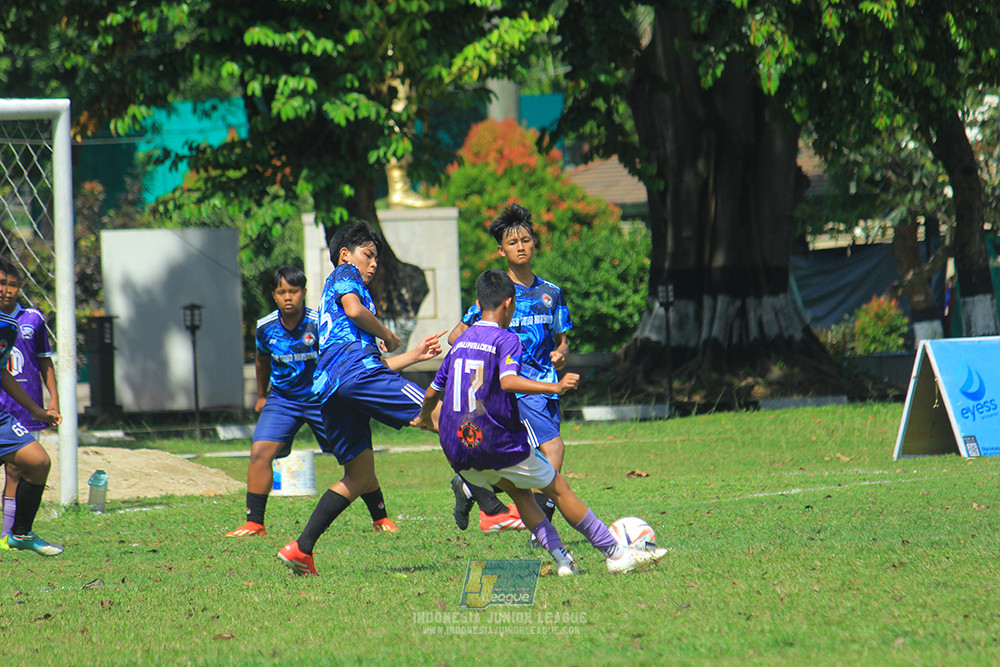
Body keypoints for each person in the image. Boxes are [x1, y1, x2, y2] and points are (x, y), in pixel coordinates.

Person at [412, 269, 665, 574]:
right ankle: (615, 553)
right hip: (495, 443)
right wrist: (553, 386)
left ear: (478, 304)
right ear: (509, 303)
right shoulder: (506, 339)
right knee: (559, 488)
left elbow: (431, 391)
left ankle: (563, 560)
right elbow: (508, 381)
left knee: (520, 492)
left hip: (457, 449)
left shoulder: (461, 342)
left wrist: (425, 419)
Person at [278, 220, 446, 575]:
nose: (372, 264)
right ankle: (491, 505)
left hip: (332, 387)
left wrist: (413, 356)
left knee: (359, 474)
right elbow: (357, 317)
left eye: (375, 259)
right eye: (368, 255)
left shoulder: (337, 296)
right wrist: (388, 333)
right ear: (345, 254)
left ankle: (301, 548)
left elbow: (362, 357)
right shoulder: (344, 275)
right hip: (356, 373)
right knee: (442, 416)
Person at [226, 266, 398, 538]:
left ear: (304, 292)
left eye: (293, 291)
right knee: (260, 451)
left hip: (322, 398)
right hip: (282, 400)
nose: (288, 297)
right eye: (281, 292)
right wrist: (261, 396)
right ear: (274, 295)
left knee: (355, 457)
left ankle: (381, 517)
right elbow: (261, 361)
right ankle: (254, 522)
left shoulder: (318, 323)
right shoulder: (265, 327)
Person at [446, 204, 572, 535]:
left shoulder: (552, 294)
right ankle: (542, 526)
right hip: (512, 388)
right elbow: (456, 336)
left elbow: (563, 341)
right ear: (501, 250)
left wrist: (559, 353)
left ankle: (470, 488)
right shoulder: (498, 294)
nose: (521, 246)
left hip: (543, 385)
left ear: (534, 244)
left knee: (515, 460)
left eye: (526, 240)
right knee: (553, 449)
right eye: (513, 242)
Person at [0, 258, 59, 544]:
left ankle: (17, 533)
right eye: (1, 283)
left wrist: (39, 408)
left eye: (10, 284)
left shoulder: (10, 324)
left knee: (35, 462)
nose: (5, 290)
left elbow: (3, 372)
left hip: (6, 414)